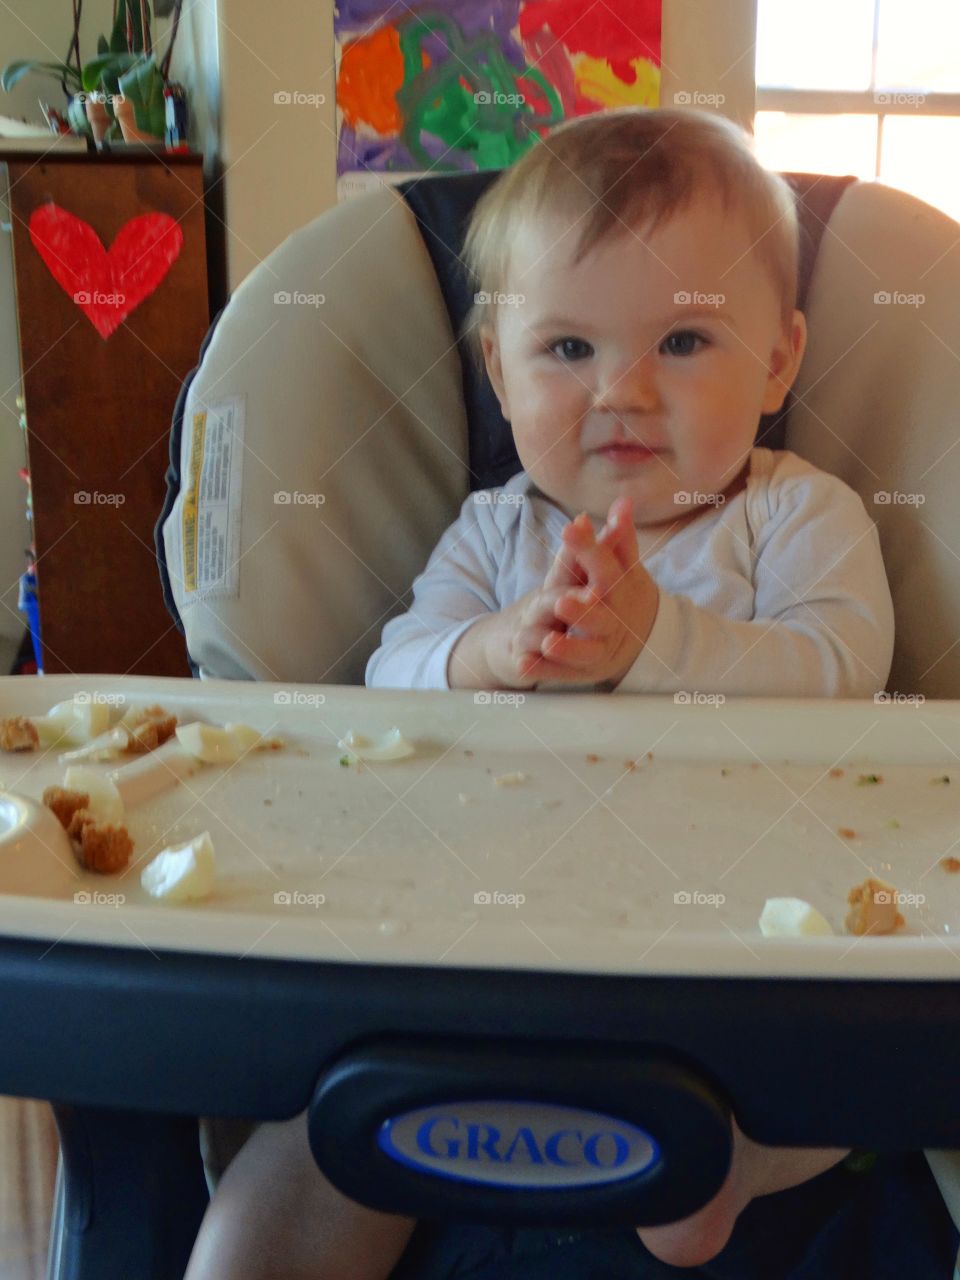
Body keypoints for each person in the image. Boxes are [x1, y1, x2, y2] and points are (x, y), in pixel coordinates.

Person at [185, 107, 919, 1280]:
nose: (622, 390)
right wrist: (492, 652)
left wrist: (655, 640)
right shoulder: (495, 535)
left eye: (683, 342)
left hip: (732, 942)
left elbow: (841, 677)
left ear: (778, 360)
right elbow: (392, 679)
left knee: (836, 1075)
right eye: (568, 349)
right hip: (477, 944)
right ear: (496, 367)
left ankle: (730, 1153)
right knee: (275, 1202)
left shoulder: (794, 515)